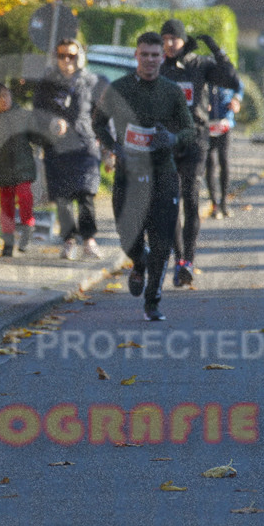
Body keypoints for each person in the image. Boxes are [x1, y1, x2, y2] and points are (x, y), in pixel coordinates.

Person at [92, 31, 193, 321]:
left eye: (155, 55)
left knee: (162, 240)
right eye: (144, 54)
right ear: (136, 55)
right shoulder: (118, 89)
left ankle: (153, 301)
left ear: (162, 57)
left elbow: (189, 130)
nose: (149, 60)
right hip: (129, 173)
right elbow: (98, 123)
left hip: (163, 172)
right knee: (128, 236)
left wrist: (171, 139)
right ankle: (138, 262)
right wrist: (113, 147)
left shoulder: (172, 91)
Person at [158, 18, 239, 287]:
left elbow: (231, 79)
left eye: (174, 38)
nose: (169, 44)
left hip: (195, 139)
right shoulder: (159, 67)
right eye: (165, 39)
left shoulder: (199, 65)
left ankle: (188, 262)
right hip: (167, 142)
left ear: (183, 40)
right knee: (170, 204)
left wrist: (217, 50)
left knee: (191, 199)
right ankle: (179, 259)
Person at [34, 38, 107, 261]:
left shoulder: (91, 82)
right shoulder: (47, 84)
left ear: (80, 57)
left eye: (71, 56)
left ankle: (89, 240)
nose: (67, 60)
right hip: (57, 148)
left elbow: (102, 115)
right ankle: (68, 241)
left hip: (85, 145)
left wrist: (107, 147)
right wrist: (51, 124)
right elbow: (37, 114)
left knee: (85, 193)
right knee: (63, 196)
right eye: (62, 55)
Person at [0, 83, 38, 256]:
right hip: (2, 168)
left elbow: (36, 136)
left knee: (25, 195)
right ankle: (8, 241)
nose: (4, 100)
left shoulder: (22, 115)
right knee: (6, 207)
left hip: (23, 166)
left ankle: (27, 227)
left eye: (6, 95)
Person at [203, 79, 244, 218]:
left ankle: (224, 202)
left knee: (224, 160)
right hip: (208, 125)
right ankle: (214, 203)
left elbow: (239, 86)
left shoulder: (228, 74)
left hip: (224, 124)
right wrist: (202, 104)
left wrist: (236, 100)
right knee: (210, 163)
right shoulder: (205, 75)